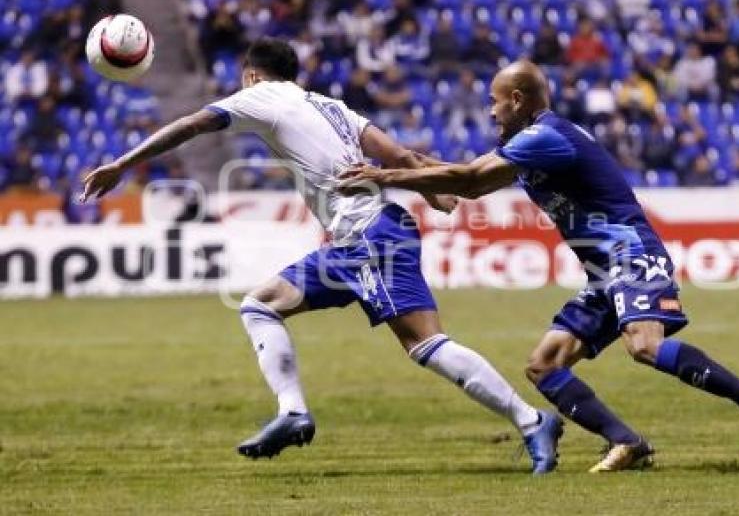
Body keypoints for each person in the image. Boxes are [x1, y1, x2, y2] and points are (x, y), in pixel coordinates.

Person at [80, 38, 563, 474]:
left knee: (424, 344)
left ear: (251, 75)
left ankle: (531, 419)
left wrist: (122, 163)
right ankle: (292, 413)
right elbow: (400, 155)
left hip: (372, 237)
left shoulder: (259, 96)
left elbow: (191, 125)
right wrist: (434, 190)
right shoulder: (333, 106)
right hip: (350, 243)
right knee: (260, 304)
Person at [338, 59, 739, 472]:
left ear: (517, 100)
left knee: (644, 345)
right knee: (545, 365)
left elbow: (470, 177)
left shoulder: (545, 137)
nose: (492, 113)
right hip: (602, 273)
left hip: (631, 254)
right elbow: (473, 184)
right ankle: (626, 441)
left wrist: (388, 176)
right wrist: (410, 168)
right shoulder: (532, 144)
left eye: (495, 102)